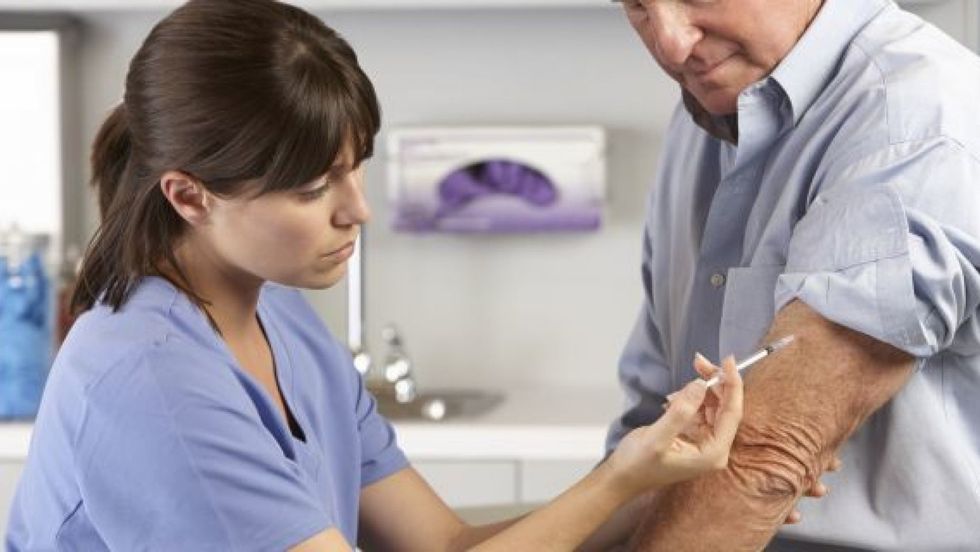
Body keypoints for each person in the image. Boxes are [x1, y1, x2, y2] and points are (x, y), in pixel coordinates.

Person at [3, 1, 748, 550]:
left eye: (353, 171)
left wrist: (656, 480)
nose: (357, 210)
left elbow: (445, 546)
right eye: (311, 188)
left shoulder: (281, 318)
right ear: (190, 195)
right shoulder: (152, 381)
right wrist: (620, 478)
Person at [606, 0, 980, 550]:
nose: (670, 44)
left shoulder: (913, 117)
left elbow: (766, 457)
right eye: (638, 6)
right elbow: (650, 437)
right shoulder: (703, 123)